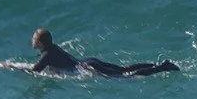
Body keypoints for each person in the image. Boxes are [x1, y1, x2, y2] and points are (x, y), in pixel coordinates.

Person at [17, 27, 179, 78]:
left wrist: (11, 66)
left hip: (87, 68)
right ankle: (158, 65)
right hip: (88, 61)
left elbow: (34, 71)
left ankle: (161, 68)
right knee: (123, 69)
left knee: (125, 76)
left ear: (40, 43)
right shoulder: (52, 48)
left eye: (34, 38)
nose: (31, 40)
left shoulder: (46, 55)